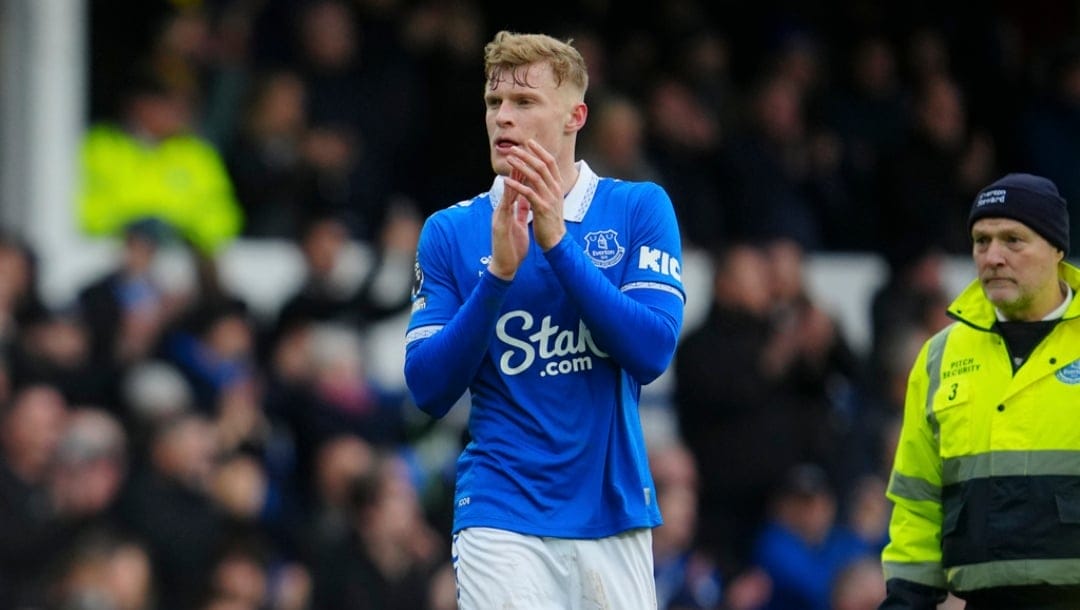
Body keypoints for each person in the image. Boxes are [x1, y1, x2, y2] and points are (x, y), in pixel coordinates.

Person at [403, 30, 685, 609]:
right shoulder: (451, 231)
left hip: (612, 509)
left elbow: (653, 350)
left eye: (525, 103)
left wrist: (558, 244)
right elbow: (428, 388)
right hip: (499, 510)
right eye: (493, 103)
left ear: (574, 117)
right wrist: (497, 278)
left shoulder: (638, 208)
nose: (503, 118)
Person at [880, 173, 1080, 609]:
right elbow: (918, 503)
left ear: (1057, 249)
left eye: (1013, 240)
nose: (992, 257)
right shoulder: (939, 357)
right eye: (980, 241)